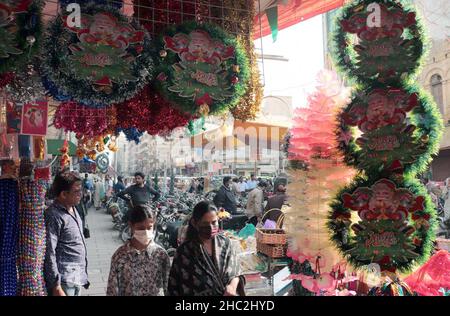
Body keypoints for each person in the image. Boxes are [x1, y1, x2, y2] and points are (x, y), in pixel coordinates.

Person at [168, 201, 245, 296]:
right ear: (194, 223)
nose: (210, 227)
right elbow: (174, 286)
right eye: (205, 224)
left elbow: (237, 272)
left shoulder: (226, 244)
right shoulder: (184, 252)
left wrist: (232, 286)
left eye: (214, 222)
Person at [107, 205, 170, 296]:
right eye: (140, 228)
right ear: (131, 225)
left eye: (149, 228)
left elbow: (168, 286)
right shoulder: (120, 256)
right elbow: (112, 289)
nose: (146, 232)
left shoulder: (161, 254)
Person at [44, 172, 89, 296]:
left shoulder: (73, 208)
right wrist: (56, 285)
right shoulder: (54, 215)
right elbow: (49, 251)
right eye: (77, 191)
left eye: (81, 190)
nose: (81, 194)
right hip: (64, 281)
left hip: (77, 277)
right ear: (64, 194)